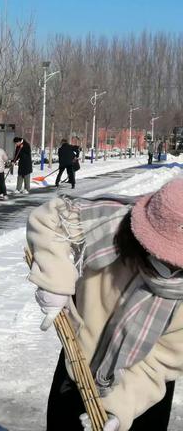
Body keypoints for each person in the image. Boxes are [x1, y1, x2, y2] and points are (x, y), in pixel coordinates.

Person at [26, 178, 183, 431]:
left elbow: (161, 362)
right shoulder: (108, 224)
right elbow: (50, 220)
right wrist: (56, 281)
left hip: (144, 390)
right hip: (77, 368)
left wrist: (120, 409)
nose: (171, 269)